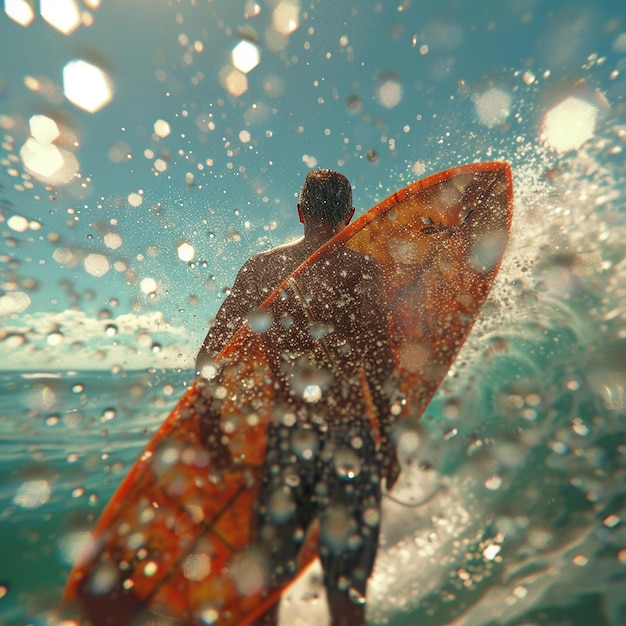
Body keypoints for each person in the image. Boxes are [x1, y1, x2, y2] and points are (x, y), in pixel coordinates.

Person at [196, 170, 399, 626]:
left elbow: (209, 357)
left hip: (287, 443)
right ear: (349, 217)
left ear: (300, 212)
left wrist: (212, 431)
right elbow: (380, 364)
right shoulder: (363, 270)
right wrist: (389, 443)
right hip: (351, 443)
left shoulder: (262, 269)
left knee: (265, 595)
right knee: (348, 598)